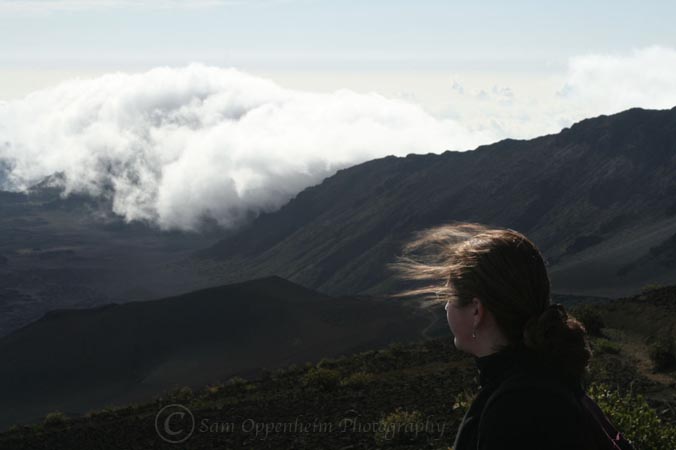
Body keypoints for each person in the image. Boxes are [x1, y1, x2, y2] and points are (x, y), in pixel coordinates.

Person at [388, 221, 628, 450]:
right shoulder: (547, 381)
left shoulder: (516, 410)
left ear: (476, 310)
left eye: (449, 297)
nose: (446, 308)